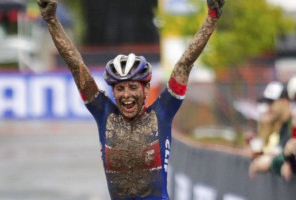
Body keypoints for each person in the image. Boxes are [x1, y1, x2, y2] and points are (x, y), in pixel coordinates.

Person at [38, 0, 224, 199]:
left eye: (133, 87)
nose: (126, 94)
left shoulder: (162, 112)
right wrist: (51, 19)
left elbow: (185, 63)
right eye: (119, 88)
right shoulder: (104, 114)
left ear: (145, 89)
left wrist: (211, 19)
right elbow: (76, 65)